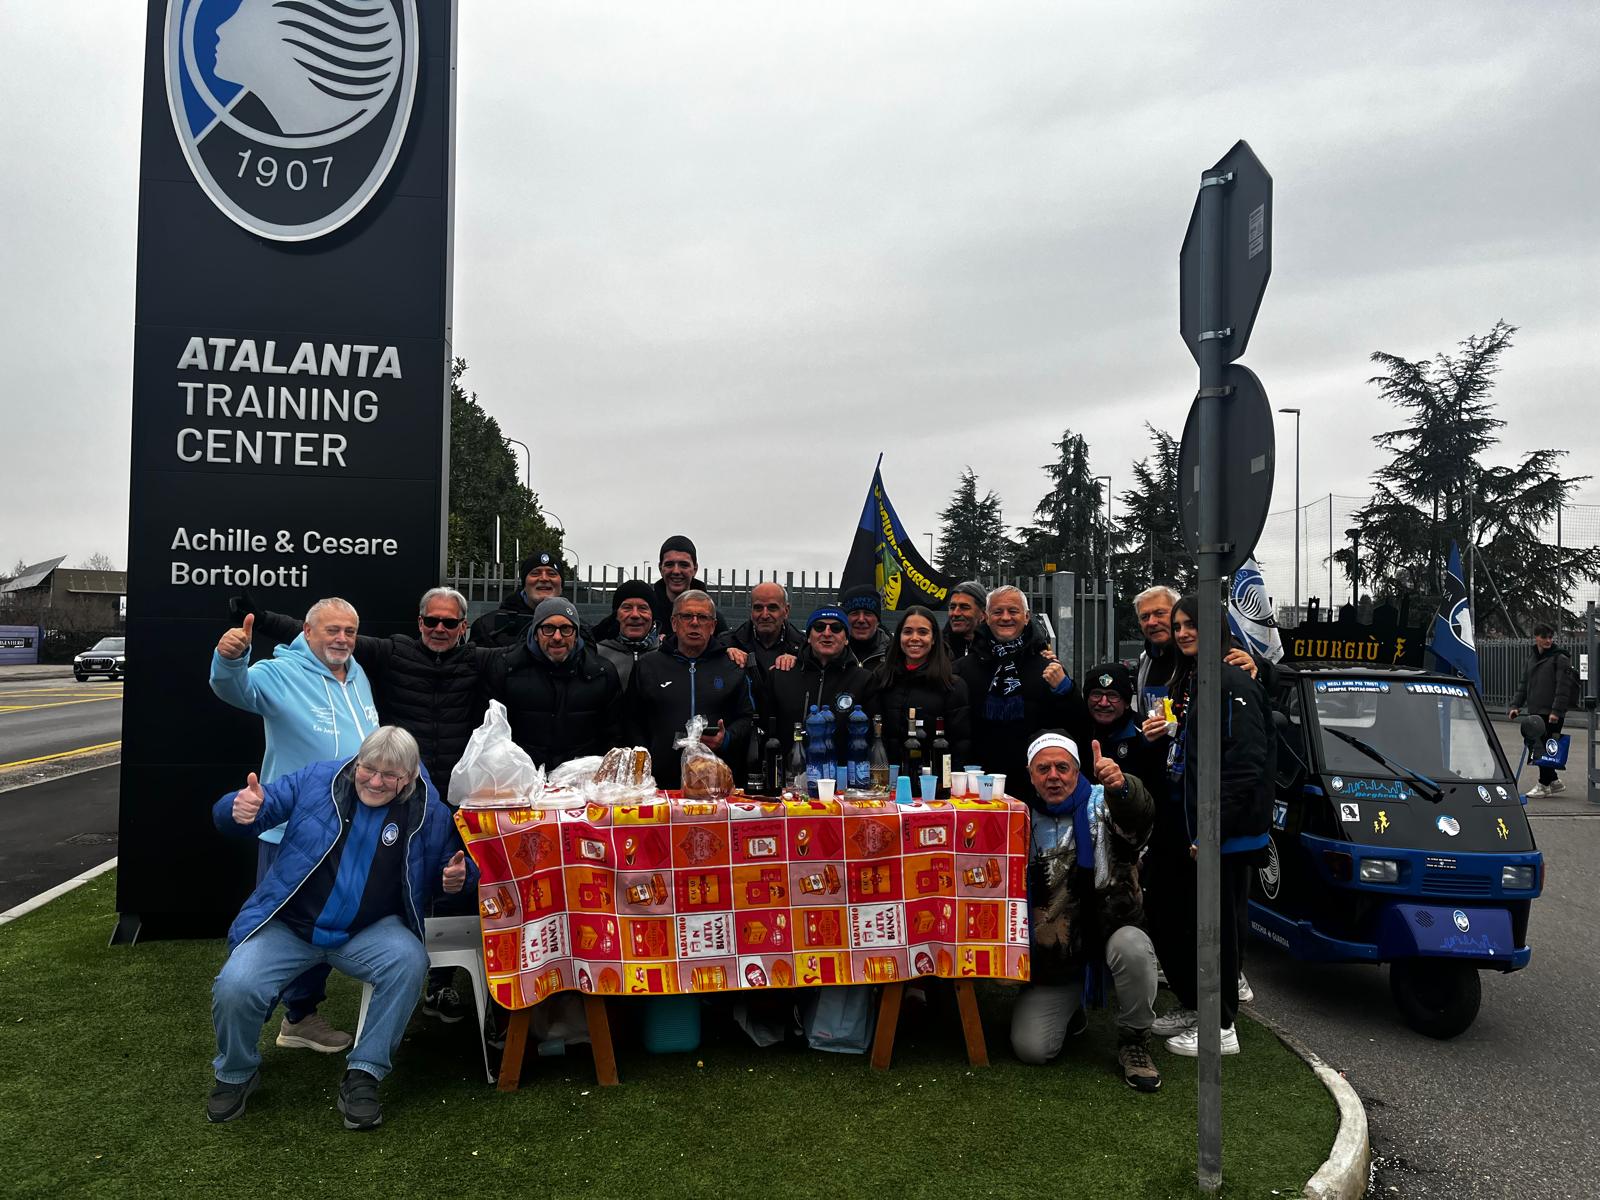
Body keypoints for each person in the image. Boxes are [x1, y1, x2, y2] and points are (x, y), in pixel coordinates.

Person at [206, 727, 471, 1130]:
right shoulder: (318, 780)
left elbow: (448, 870)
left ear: (409, 777)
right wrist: (236, 808)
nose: (376, 782)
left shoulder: (429, 810)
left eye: (390, 775)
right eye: (368, 769)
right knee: (235, 986)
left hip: (368, 929)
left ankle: (364, 1074)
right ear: (356, 762)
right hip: (292, 924)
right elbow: (255, 808)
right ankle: (236, 1073)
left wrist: (458, 879)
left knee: (408, 961)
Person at [211, 597, 380, 1053]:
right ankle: (244, 1022)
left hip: (345, 830)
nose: (342, 639)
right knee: (274, 931)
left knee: (324, 922)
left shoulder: (357, 675)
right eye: (332, 630)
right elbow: (236, 689)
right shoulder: (282, 672)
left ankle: (301, 1017)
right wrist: (230, 660)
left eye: (349, 631)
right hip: (289, 833)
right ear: (307, 632)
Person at [1143, 594, 1271, 1056]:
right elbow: (1207, 744)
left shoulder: (1233, 679)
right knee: (1172, 911)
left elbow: (1246, 762)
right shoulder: (1196, 677)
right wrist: (1174, 732)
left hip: (1223, 830)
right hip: (1188, 821)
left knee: (1216, 926)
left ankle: (1220, 1025)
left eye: (1191, 624)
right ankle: (1197, 1004)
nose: (1182, 632)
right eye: (1178, 625)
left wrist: (1214, 830)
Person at [1010, 732, 1161, 1092]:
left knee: (1133, 948)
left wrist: (1123, 788)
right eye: (1043, 768)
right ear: (1030, 775)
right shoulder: (1020, 818)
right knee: (1031, 1048)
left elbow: (1139, 822)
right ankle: (1072, 1009)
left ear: (1077, 772)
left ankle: (1135, 1040)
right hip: (1059, 954)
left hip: (1111, 930)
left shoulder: (1102, 801)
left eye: (1062, 767)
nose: (1053, 776)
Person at [954, 586, 1088, 802]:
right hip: (975, 786)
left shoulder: (1048, 668)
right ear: (986, 617)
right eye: (998, 612)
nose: (1005, 617)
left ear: (1026, 617)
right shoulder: (963, 669)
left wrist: (1066, 690)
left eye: (1013, 611)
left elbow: (1077, 726)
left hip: (1034, 790)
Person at [627, 590, 753, 789]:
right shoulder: (648, 665)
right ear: (674, 623)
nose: (694, 623)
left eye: (702, 617)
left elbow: (748, 718)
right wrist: (644, 763)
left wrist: (727, 738)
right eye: (686, 616)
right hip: (659, 784)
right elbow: (631, 720)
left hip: (717, 784)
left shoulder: (732, 666)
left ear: (712, 626)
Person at [489, 597, 624, 770]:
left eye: (566, 629)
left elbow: (613, 735)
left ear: (576, 634)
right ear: (535, 633)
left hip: (581, 779)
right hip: (522, 777)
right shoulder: (507, 670)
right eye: (548, 629)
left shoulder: (601, 674)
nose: (557, 637)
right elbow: (494, 735)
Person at [761, 606, 874, 769]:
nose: (827, 633)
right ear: (808, 637)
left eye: (836, 628)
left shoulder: (864, 680)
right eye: (819, 627)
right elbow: (764, 730)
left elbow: (872, 736)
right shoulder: (780, 676)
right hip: (790, 776)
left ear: (846, 638)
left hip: (843, 777)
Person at [865, 604, 971, 769]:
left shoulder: (952, 685)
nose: (914, 638)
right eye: (908, 632)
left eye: (922, 632)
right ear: (899, 637)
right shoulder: (881, 678)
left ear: (934, 638)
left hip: (932, 780)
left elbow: (960, 744)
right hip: (886, 776)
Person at [1509, 622, 1578, 796]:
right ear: (1536, 638)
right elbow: (1524, 684)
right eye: (1544, 637)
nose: (1548, 641)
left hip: (1551, 712)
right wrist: (1516, 705)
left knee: (1545, 749)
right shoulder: (1532, 658)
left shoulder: (1559, 658)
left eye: (1550, 637)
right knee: (1539, 747)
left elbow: (1563, 687)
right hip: (1536, 711)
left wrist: (1556, 711)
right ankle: (1553, 781)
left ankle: (1544, 784)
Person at [1082, 662, 1165, 799]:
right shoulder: (1079, 730)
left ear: (1126, 702)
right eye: (1096, 694)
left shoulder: (1146, 734)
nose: (1103, 703)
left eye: (1112, 695)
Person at [470, 549, 568, 648]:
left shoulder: (576, 628)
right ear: (524, 584)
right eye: (535, 573)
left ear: (561, 585)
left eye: (551, 573)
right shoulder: (488, 628)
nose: (544, 578)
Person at [649, 536, 729, 637]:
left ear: (695, 569)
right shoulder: (647, 616)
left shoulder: (712, 618)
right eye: (669, 564)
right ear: (661, 569)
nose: (676, 571)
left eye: (684, 565)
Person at [592, 579, 659, 690]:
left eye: (643, 608)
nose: (635, 615)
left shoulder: (666, 654)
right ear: (616, 615)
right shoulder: (594, 654)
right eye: (627, 608)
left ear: (653, 615)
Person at [727, 582, 806, 674]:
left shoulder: (805, 648)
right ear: (751, 611)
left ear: (786, 610)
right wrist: (724, 657)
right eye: (758, 608)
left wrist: (800, 663)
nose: (765, 615)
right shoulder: (728, 643)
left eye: (772, 608)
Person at [1132, 585, 1181, 714]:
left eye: (1159, 613)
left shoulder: (1198, 657)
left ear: (1179, 614)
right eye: (1144, 617)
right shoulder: (1145, 660)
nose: (1151, 622)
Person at [840, 584, 892, 668]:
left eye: (868, 613)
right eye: (855, 613)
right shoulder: (832, 653)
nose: (861, 620)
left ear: (878, 621)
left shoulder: (894, 655)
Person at [943, 581, 987, 660]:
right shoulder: (936, 648)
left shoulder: (996, 649)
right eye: (952, 607)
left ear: (983, 614)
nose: (955, 613)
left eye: (964, 607)